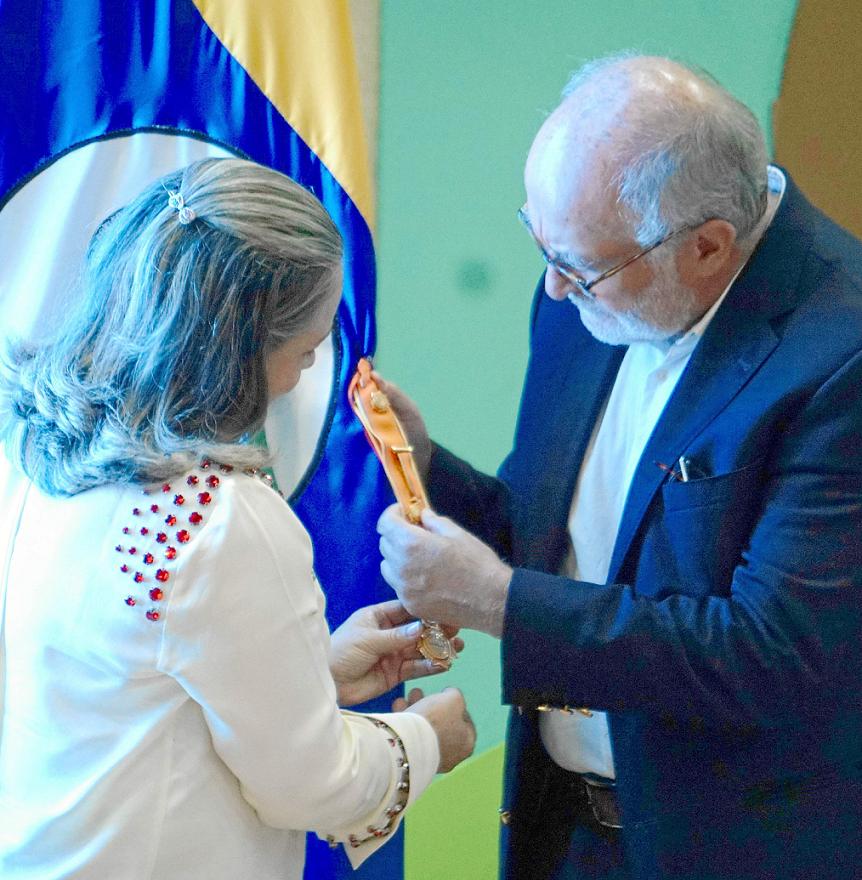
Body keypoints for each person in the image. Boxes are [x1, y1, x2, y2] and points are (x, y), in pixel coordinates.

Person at [376, 54, 862, 880]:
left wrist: (498, 603)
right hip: (560, 825)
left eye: (580, 267)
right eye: (539, 243)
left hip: (739, 849)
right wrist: (427, 469)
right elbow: (561, 540)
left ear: (709, 247)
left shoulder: (841, 353)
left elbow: (773, 654)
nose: (554, 290)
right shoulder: (585, 284)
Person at [0, 157, 475, 880]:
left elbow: (133, 684)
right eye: (305, 352)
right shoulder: (213, 518)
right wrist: (424, 737)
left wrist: (310, 673)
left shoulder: (31, 450)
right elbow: (313, 787)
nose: (304, 375)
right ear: (242, 352)